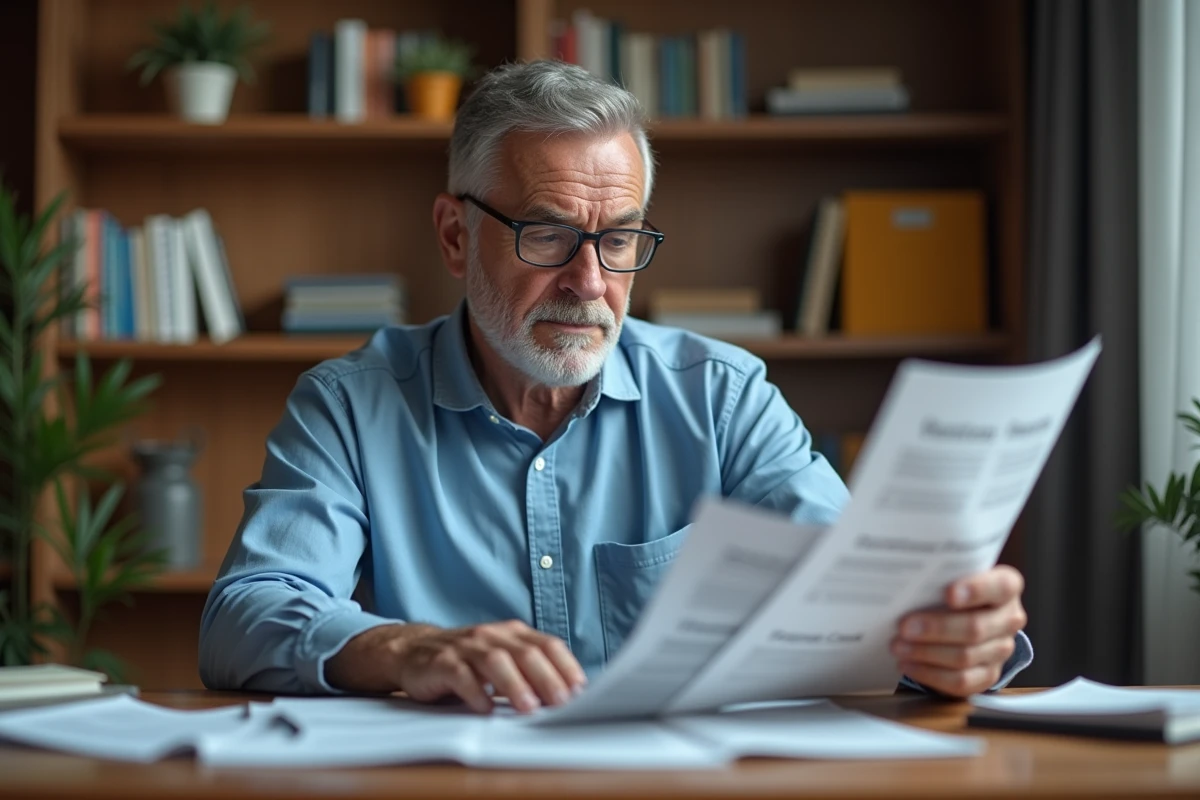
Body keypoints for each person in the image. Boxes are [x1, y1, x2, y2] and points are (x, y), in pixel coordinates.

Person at [199, 60, 1030, 711]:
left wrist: (946, 643)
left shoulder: (722, 398)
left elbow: (861, 591)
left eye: (620, 238)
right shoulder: (350, 404)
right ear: (455, 237)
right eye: (548, 235)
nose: (590, 282)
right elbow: (244, 615)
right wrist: (406, 649)